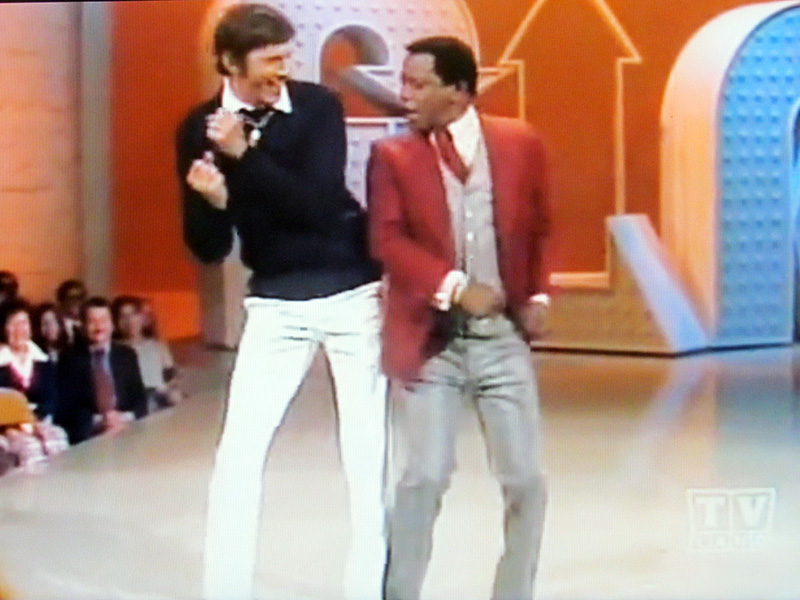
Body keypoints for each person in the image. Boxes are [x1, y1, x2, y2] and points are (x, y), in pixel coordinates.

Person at [175, 4, 387, 600]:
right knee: (238, 453)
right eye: (270, 60)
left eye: (286, 57)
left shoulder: (318, 107)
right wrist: (213, 204)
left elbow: (317, 205)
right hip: (273, 300)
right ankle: (225, 589)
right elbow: (208, 247)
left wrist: (245, 156)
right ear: (230, 62)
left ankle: (367, 588)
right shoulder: (197, 129)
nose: (282, 70)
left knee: (366, 453)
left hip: (351, 292)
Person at [367, 36, 551, 600]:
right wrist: (453, 286)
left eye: (418, 84)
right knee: (424, 476)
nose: (404, 95)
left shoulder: (519, 143)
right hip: (431, 343)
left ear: (459, 91)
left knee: (526, 480)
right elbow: (386, 240)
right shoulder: (393, 156)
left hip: (501, 341)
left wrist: (539, 297)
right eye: (404, 82)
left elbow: (542, 225)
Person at [56, 297, 148, 444]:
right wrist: (101, 421)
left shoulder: (127, 355)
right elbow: (67, 408)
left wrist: (123, 417)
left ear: (112, 325)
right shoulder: (69, 359)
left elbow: (140, 399)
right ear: (83, 326)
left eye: (104, 321)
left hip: (127, 428)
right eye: (92, 321)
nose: (99, 327)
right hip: (90, 434)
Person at [112, 295, 182, 411]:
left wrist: (172, 390)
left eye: (134, 314)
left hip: (162, 401)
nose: (130, 321)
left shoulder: (157, 346)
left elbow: (170, 377)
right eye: (123, 317)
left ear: (142, 318)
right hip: (136, 406)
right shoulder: (115, 351)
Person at [55, 279, 88, 346]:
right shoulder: (56, 326)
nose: (75, 302)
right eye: (71, 298)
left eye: (79, 298)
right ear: (62, 300)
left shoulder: (88, 326)